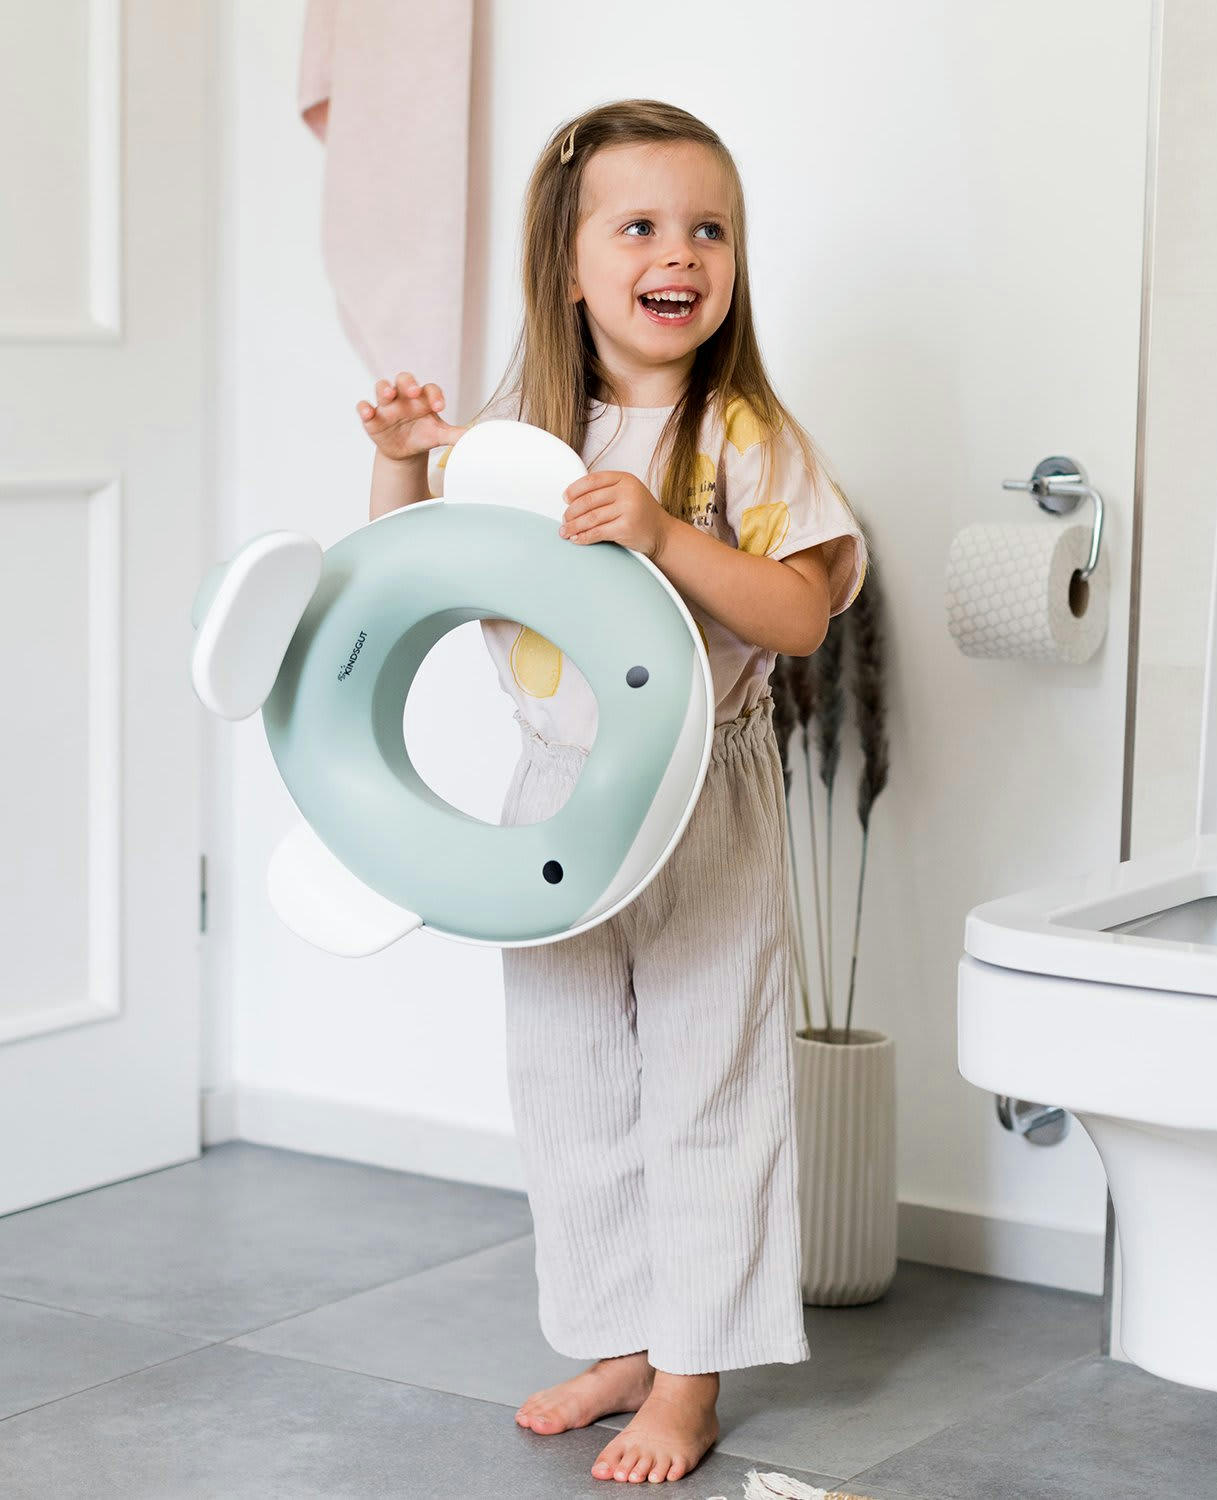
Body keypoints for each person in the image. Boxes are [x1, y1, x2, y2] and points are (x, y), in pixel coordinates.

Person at [356, 99, 868, 1487]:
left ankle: (692, 1373)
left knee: (707, 1081)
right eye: (640, 226)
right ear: (570, 265)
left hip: (703, 790)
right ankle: (622, 1334)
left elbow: (805, 612)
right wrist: (406, 456)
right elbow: (406, 579)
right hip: (557, 805)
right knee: (572, 1079)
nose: (681, 253)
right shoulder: (526, 440)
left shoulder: (746, 436)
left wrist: (663, 532)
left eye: (709, 227)